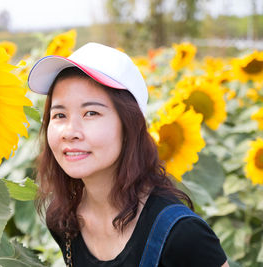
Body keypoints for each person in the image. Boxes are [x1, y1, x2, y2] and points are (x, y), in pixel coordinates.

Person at [28, 42, 229, 267]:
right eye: (59, 115)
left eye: (91, 113)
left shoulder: (183, 236)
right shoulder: (63, 220)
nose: (70, 132)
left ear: (129, 126)